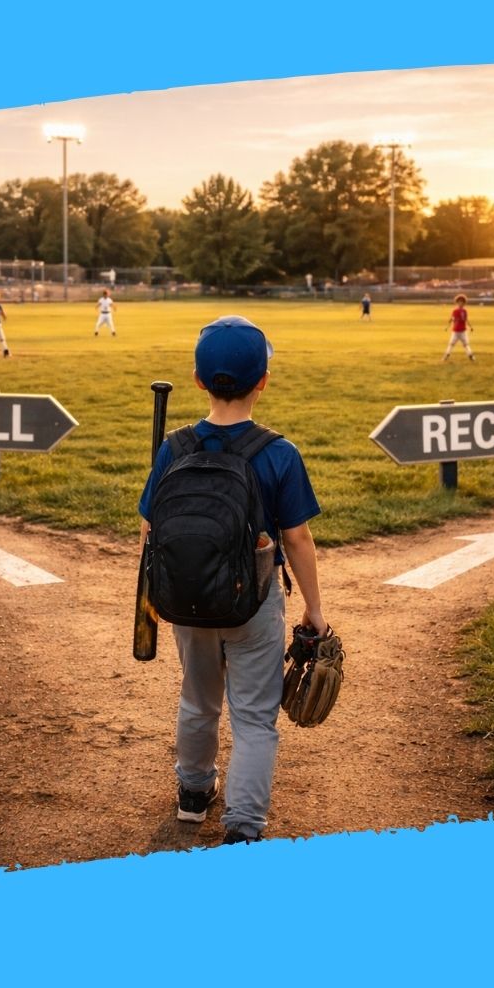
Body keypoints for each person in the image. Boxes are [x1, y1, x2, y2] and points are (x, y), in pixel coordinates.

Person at [139, 317, 325, 845]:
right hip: (255, 604)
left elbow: (151, 528)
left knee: (198, 701)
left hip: (187, 602)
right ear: (263, 380)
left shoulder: (174, 447)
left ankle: (194, 794)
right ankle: (243, 825)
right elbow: (297, 540)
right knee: (254, 717)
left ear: (198, 380)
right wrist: (314, 608)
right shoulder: (279, 453)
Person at [441, 293, 475, 361]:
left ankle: (470, 355)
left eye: (462, 302)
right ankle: (446, 355)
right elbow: (452, 319)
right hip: (456, 331)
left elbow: (465, 319)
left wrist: (470, 326)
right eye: (459, 302)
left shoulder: (464, 311)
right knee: (451, 344)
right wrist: (449, 325)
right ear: (457, 303)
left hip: (462, 331)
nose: (461, 303)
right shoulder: (456, 311)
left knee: (466, 344)